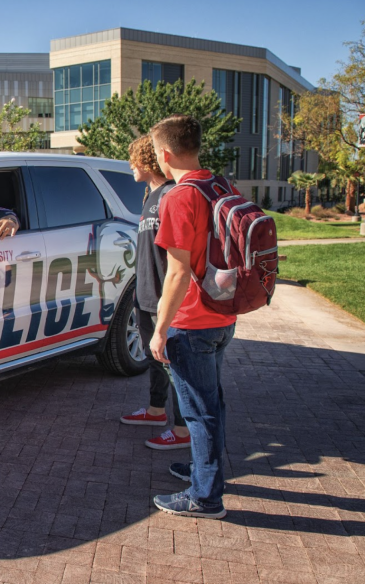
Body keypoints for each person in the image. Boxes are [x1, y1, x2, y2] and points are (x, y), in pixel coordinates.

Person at [149, 114, 237, 519]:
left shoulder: (180, 196)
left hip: (193, 321)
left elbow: (177, 271)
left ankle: (205, 497)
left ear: (165, 154)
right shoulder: (218, 184)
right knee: (211, 404)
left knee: (198, 412)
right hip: (223, 313)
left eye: (155, 154)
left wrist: (160, 329)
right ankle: (205, 472)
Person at [119, 135, 190, 451]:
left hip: (166, 297)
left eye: (132, 159)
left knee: (175, 367)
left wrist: (167, 299)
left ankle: (182, 428)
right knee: (155, 360)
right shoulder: (151, 195)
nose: (130, 165)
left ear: (146, 160)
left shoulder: (172, 195)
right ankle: (155, 411)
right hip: (145, 295)